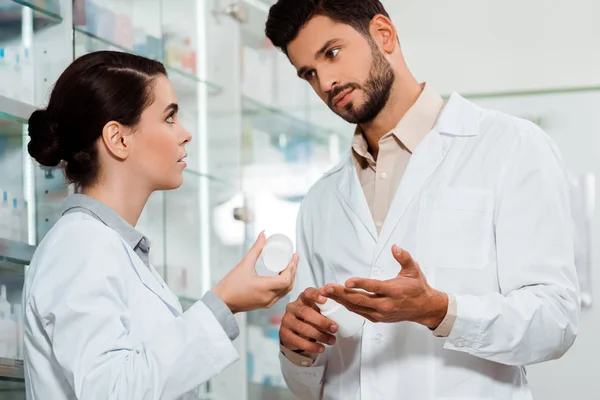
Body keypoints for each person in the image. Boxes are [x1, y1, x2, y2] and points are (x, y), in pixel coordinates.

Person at [265, 1, 580, 399]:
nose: (326, 81)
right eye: (309, 73)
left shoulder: (510, 147)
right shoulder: (320, 201)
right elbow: (311, 386)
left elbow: (556, 323)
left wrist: (439, 310)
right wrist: (296, 350)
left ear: (383, 34)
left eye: (332, 52)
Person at [22, 51, 298, 400]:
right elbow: (110, 391)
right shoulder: (80, 246)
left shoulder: (112, 246)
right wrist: (222, 304)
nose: (185, 135)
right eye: (170, 118)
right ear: (118, 139)